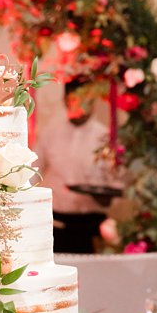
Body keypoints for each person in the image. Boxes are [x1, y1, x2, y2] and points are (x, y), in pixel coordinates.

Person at [33, 79, 112, 254]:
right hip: (56, 222)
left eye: (86, 99)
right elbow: (31, 174)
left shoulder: (105, 137)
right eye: (75, 100)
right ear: (65, 99)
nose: (80, 105)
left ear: (93, 101)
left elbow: (115, 183)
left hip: (92, 225)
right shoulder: (50, 133)